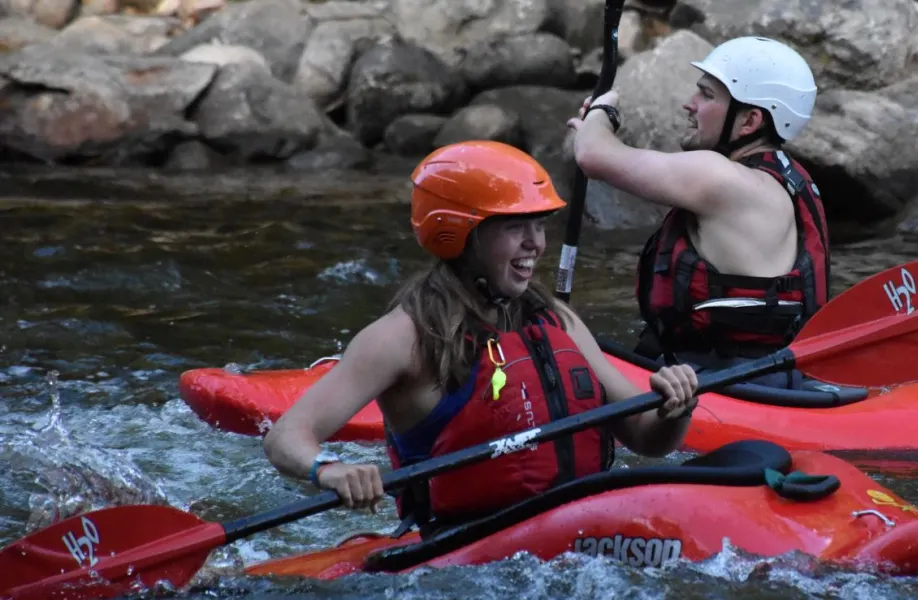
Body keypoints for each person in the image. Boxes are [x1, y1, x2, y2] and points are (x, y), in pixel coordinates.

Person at [262, 141, 700, 535]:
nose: (536, 244)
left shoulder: (555, 319)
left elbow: (647, 439)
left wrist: (676, 408)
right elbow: (285, 436)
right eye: (515, 227)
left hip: (577, 535)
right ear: (459, 234)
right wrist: (329, 469)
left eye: (539, 225)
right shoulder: (403, 338)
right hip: (458, 556)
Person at [568, 36, 832, 389]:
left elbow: (592, 156)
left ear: (749, 120)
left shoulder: (722, 179)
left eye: (706, 95)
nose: (688, 105)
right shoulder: (788, 180)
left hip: (721, 384)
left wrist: (603, 112)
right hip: (758, 373)